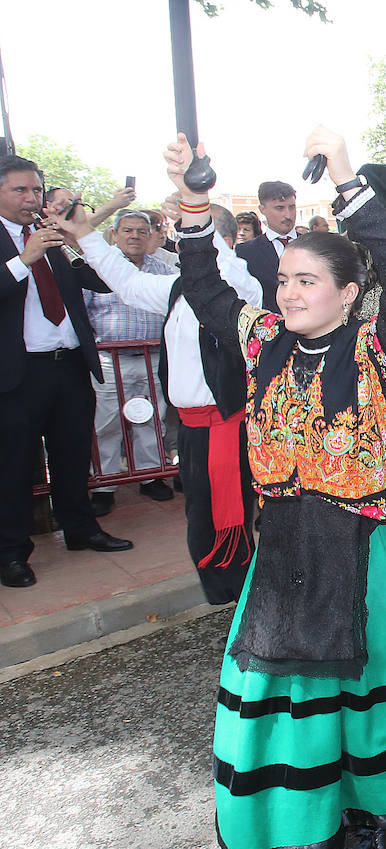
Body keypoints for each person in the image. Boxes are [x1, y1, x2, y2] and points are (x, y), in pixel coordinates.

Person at [168, 127, 386, 849]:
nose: (288, 292)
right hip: (285, 549)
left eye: (306, 281)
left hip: (370, 544)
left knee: (370, 687)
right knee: (289, 692)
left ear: (348, 292)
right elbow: (210, 289)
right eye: (284, 280)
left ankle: (381, 814)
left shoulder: (378, 341)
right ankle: (314, 816)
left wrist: (347, 178)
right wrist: (192, 201)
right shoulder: (263, 341)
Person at [51, 201, 261, 604]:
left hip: (226, 427)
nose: (188, 241)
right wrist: (86, 236)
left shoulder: (241, 289)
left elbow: (228, 267)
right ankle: (234, 606)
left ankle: (245, 608)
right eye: (185, 233)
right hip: (193, 428)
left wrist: (195, 211)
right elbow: (126, 282)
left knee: (224, 522)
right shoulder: (178, 288)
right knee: (201, 520)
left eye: (197, 232)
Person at [0, 155, 134, 588]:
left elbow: (95, 280)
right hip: (18, 374)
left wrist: (86, 236)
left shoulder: (52, 237)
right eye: (20, 190)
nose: (31, 198)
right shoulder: (28, 244)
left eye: (36, 190)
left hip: (70, 366)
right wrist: (24, 259)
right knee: (15, 465)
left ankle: (81, 529)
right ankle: (12, 553)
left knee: (74, 454)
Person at [83, 209, 180, 512]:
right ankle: (106, 482)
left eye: (141, 230)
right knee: (107, 422)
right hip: (110, 360)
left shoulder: (162, 270)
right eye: (127, 230)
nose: (135, 236)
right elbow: (82, 314)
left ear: (151, 235)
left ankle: (150, 476)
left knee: (152, 418)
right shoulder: (95, 269)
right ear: (114, 234)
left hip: (152, 357)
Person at [234, 180, 297, 314]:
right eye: (280, 208)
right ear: (262, 209)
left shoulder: (314, 244)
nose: (288, 215)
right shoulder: (245, 252)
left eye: (292, 207)